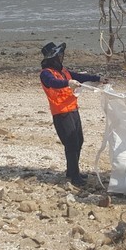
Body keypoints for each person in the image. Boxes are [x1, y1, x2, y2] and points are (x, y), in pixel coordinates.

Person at [39, 41, 103, 186]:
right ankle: (74, 176)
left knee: (79, 140)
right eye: (59, 55)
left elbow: (78, 76)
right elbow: (53, 83)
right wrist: (68, 83)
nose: (62, 57)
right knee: (71, 143)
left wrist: (97, 79)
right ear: (52, 58)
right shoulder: (46, 74)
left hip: (73, 109)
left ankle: (72, 170)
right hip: (61, 113)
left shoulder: (63, 71)